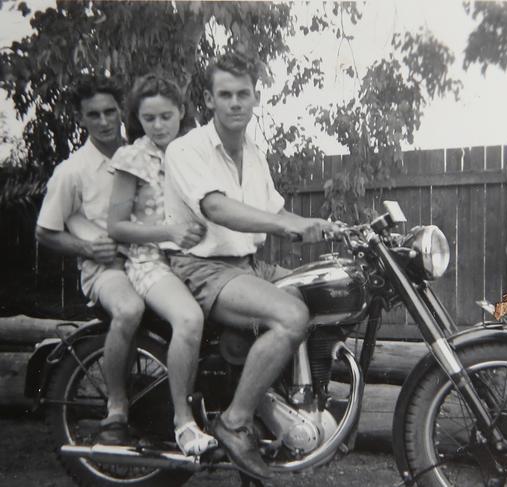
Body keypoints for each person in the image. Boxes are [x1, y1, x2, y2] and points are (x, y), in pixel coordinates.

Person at [163, 53, 337, 480]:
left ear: (255, 98)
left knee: (328, 289)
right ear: (209, 99)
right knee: (290, 314)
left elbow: (279, 212)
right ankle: (235, 421)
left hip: (247, 265)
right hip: (203, 269)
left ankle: (294, 409)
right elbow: (217, 209)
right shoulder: (186, 149)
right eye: (226, 94)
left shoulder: (254, 155)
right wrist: (283, 225)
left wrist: (326, 226)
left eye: (244, 94)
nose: (236, 102)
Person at [106, 73, 217, 456]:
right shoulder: (132, 157)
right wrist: (168, 233)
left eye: (166, 116)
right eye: (149, 118)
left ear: (181, 112)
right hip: (150, 260)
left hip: (196, 259)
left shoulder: (193, 152)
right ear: (138, 118)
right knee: (189, 320)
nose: (158, 126)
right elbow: (116, 226)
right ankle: (183, 422)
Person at [35, 75, 144, 445]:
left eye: (110, 112)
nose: (103, 121)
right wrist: (86, 249)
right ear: (82, 119)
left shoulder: (142, 156)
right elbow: (45, 231)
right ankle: (116, 407)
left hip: (149, 264)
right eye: (93, 114)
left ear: (121, 111)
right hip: (106, 269)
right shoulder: (72, 171)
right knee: (128, 310)